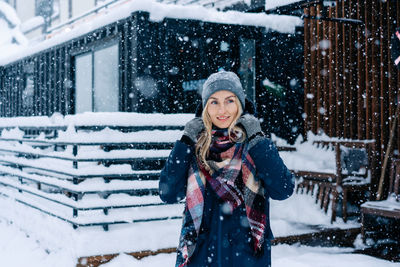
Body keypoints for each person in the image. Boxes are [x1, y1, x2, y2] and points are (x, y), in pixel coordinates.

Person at [159, 71, 294, 267]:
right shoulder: (195, 147)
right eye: (214, 102)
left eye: (229, 100)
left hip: (247, 256)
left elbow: (283, 189)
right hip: (201, 256)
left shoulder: (255, 145)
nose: (222, 109)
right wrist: (186, 141)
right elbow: (168, 193)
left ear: (240, 103)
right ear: (206, 107)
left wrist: (257, 139)